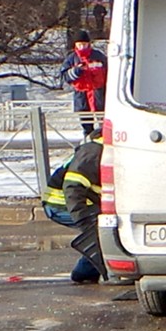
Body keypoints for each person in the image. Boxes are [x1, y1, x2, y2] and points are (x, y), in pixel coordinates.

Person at [62, 133, 106, 284]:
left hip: (80, 201)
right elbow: (72, 189)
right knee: (100, 234)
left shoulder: (100, 150)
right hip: (60, 203)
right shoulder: (92, 153)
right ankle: (84, 272)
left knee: (102, 232)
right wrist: (83, 219)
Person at [61, 30, 108, 136]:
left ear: (89, 44)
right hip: (82, 96)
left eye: (84, 44)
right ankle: (88, 142)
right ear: (75, 45)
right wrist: (75, 71)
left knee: (104, 124)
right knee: (86, 125)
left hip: (99, 94)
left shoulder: (98, 56)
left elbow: (109, 72)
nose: (82, 47)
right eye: (80, 44)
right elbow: (65, 76)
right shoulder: (72, 58)